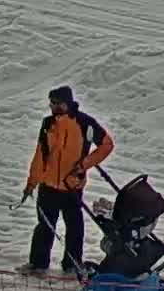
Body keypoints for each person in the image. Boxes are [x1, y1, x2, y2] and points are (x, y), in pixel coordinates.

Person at [20, 85, 114, 275]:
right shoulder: (48, 124)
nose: (53, 107)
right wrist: (32, 183)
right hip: (48, 186)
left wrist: (84, 165)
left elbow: (106, 145)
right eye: (51, 103)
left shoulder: (85, 123)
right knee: (44, 227)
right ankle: (38, 264)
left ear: (67, 103)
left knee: (75, 228)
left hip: (72, 186)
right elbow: (40, 156)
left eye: (57, 104)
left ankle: (72, 264)